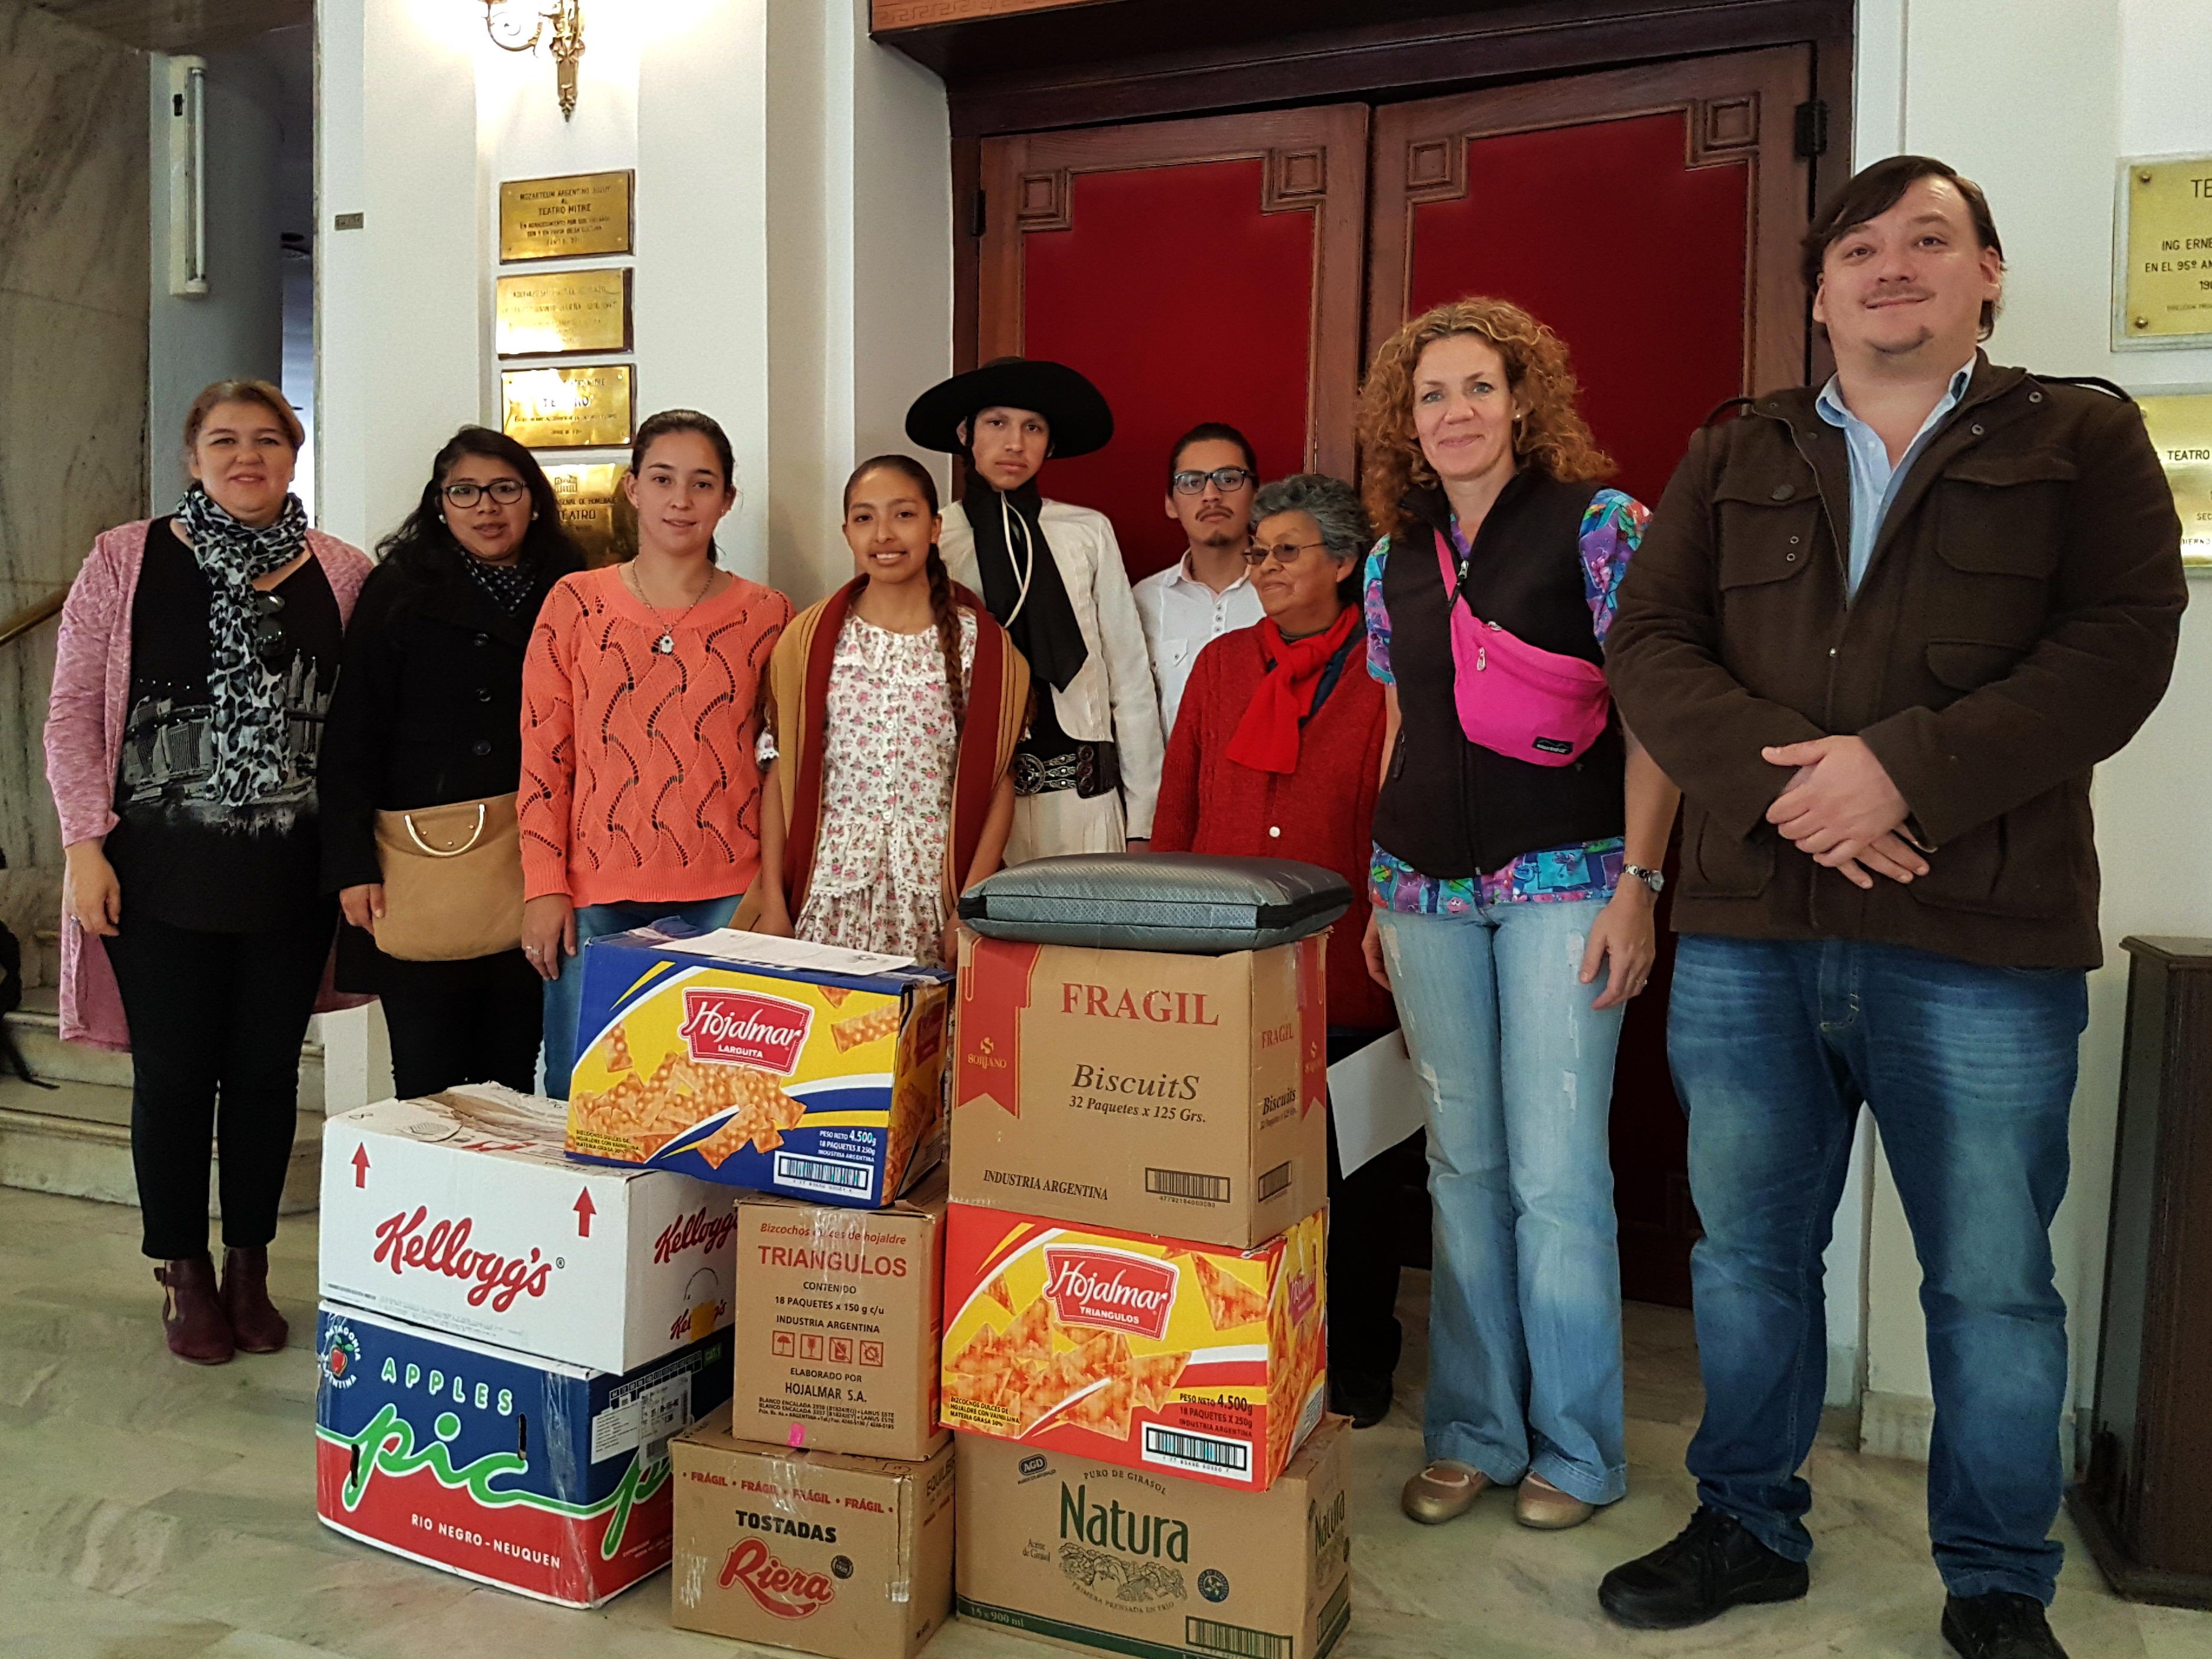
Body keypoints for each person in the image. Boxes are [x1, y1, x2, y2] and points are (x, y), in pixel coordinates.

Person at [1600, 158, 2187, 1659]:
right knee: (1742, 1257)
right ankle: (1746, 1519)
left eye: (1928, 240)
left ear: (1988, 271)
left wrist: (1900, 772)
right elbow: (1651, 638)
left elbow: (2121, 649)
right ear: (1819, 291)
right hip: (1751, 933)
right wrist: (1791, 788)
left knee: (1990, 1282)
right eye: (1858, 248)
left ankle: (1997, 1585)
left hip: (1978, 938)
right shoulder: (1735, 448)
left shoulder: (2080, 438)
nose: (1891, 268)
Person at [1357, 298, 1680, 1532]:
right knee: (1461, 1167)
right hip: (1423, 887)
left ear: (1522, 398)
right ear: (1408, 418)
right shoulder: (1397, 550)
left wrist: (1637, 888)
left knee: (1553, 1177)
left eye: (1477, 387)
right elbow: (1399, 721)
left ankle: (1577, 1449)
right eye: (1430, 394)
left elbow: (1653, 713)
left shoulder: (1600, 524)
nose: (1453, 413)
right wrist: (1382, 881)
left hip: (1567, 881)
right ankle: (1475, 1430)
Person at [45, 378, 373, 1365]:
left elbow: (361, 733)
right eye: (224, 441)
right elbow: (73, 711)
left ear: (293, 453)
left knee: (268, 1078)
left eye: (267, 440)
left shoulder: (344, 573)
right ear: (192, 458)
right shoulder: (125, 558)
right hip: (156, 871)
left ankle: (249, 1263)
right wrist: (82, 844)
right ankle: (182, 1269)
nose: (246, 458)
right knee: (177, 1077)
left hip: (290, 875)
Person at [1150, 471, 1411, 1428]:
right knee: (1241, 1175)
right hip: (1231, 973)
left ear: (1342, 564)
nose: (1262, 567)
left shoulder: (1388, 667)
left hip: (1351, 967)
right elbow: (1177, 805)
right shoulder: (1222, 666)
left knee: (1359, 1180)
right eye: (1256, 552)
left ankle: (1356, 1359)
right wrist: (1167, 940)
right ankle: (1249, 1346)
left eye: (1285, 551)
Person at [519, 409, 792, 1098]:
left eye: (702, 483)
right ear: (632, 488)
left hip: (729, 891)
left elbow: (779, 764)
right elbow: (545, 753)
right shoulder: (575, 603)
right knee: (586, 1093)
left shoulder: (768, 614)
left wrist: (774, 886)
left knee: (714, 1095)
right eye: (663, 479)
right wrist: (544, 884)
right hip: (595, 892)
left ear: (728, 499)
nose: (681, 500)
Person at [320, 427, 583, 1097]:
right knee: (427, 1070)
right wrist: (351, 864)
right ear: (440, 503)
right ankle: (433, 1204)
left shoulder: (574, 586)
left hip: (533, 853)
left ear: (534, 499)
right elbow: (353, 731)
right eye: (464, 491)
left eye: (504, 489)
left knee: (512, 1065)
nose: (486, 507)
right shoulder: (400, 589)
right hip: (421, 857)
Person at [744, 455, 1028, 967]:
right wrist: (772, 903)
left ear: (935, 527)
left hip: (935, 895)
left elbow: (998, 784)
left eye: (903, 515)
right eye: (864, 518)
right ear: (847, 532)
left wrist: (969, 909)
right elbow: (778, 779)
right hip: (826, 894)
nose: (884, 535)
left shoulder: (983, 648)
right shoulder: (809, 644)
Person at [906, 358, 1163, 861]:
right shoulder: (939, 537)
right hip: (975, 802)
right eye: (996, 423)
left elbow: (1129, 677)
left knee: (1089, 939)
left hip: (1085, 800)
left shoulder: (1087, 532)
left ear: (1050, 442)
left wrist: (1144, 819)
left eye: (1033, 428)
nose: (1015, 443)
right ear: (966, 433)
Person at [1133, 422, 1265, 737]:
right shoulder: (1142, 602)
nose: (1211, 495)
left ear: (1257, 495)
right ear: (1170, 503)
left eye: (1229, 479)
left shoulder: (1287, 590)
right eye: (1191, 482)